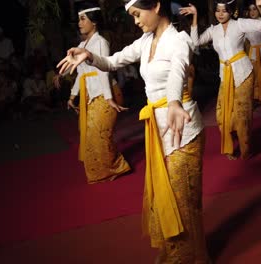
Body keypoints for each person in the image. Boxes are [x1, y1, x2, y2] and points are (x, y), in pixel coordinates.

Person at [57, 0, 208, 262]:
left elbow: (177, 72)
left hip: (183, 129)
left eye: (138, 14)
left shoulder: (179, 40)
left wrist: (173, 101)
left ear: (157, 6)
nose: (136, 21)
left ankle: (188, 257)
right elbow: (114, 61)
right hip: (159, 129)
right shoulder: (144, 42)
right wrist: (90, 56)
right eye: (133, 16)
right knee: (168, 196)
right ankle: (191, 254)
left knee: (182, 200)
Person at [179, 0, 261, 160]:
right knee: (221, 113)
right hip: (225, 75)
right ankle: (230, 141)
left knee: (242, 113)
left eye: (224, 10)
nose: (220, 14)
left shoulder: (240, 24)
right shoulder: (213, 30)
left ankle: (245, 148)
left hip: (243, 73)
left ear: (231, 11)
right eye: (218, 11)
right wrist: (195, 16)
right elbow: (195, 43)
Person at [58, 3, 131, 183]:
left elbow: (103, 71)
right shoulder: (82, 45)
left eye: (83, 19)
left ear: (94, 22)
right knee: (91, 136)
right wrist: (72, 96)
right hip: (92, 94)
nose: (79, 23)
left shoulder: (101, 42)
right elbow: (81, 74)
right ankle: (104, 171)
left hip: (108, 92)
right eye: (79, 19)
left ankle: (115, 168)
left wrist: (108, 98)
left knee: (100, 134)